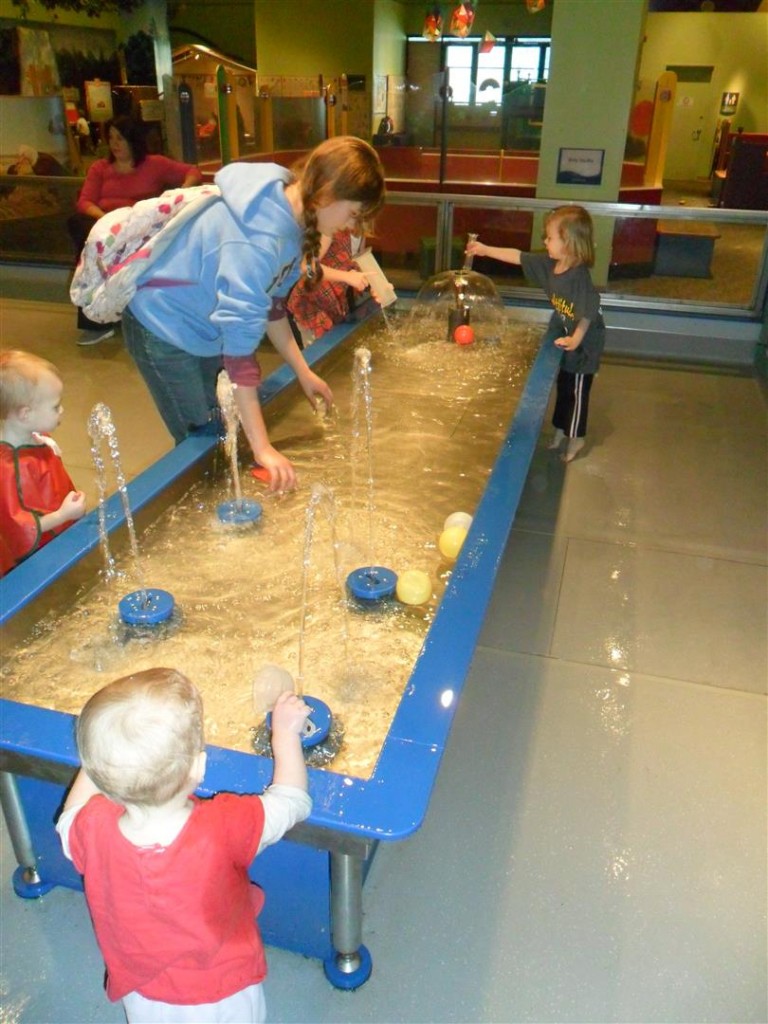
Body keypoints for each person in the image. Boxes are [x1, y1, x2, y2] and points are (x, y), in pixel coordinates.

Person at [121, 135, 386, 493]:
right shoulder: (258, 238)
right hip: (163, 326)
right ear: (326, 193)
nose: (352, 227)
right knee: (199, 442)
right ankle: (206, 511)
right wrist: (263, 448)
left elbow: (272, 307)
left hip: (201, 324)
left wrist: (303, 371)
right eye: (353, 214)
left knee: (221, 426)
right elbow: (240, 354)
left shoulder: (296, 225)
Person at [56, 668, 312, 1023]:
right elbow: (292, 800)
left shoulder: (92, 829)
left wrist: (105, 754)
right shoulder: (223, 825)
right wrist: (285, 735)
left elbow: (69, 817)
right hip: (226, 995)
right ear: (199, 766)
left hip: (144, 997)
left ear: (101, 776)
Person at [467, 205, 605, 462]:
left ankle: (576, 436)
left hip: (586, 342)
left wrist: (576, 339)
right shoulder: (549, 264)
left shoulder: (578, 276)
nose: (545, 241)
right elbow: (518, 256)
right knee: (563, 385)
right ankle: (560, 430)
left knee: (576, 390)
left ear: (569, 243)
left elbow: (589, 310)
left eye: (550, 237)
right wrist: (484, 250)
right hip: (568, 334)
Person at [69, 115, 202, 346]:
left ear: (133, 140)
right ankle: (98, 315)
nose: (114, 144)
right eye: (110, 138)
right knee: (81, 228)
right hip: (106, 225)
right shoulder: (100, 168)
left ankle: (109, 312)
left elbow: (193, 171)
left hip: (139, 228)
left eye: (120, 138)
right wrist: (108, 221)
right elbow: (85, 202)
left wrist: (180, 193)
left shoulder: (155, 164)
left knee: (97, 248)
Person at [0, 350, 86, 575]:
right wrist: (62, 515)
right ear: (25, 414)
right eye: (55, 406)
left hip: (57, 536)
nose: (62, 410)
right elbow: (18, 529)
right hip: (37, 558)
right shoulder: (10, 467)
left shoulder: (35, 437)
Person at [286, 228, 370, 344]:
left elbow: (361, 258)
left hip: (336, 302)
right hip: (313, 305)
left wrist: (379, 286)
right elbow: (307, 267)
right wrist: (346, 276)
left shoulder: (360, 225)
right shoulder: (331, 225)